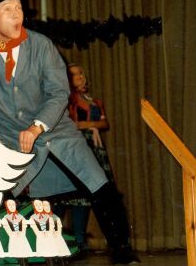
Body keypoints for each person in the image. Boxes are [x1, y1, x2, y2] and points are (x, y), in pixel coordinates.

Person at [0, 0, 139, 264]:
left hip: (55, 132)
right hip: (9, 139)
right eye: (7, 9)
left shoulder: (41, 45)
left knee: (99, 186)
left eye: (19, 8)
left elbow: (59, 92)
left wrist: (37, 125)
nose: (16, 14)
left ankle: (123, 253)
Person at [52, 63, 117, 255]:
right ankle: (54, 241)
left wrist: (89, 124)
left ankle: (80, 242)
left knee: (89, 195)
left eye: (80, 73)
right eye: (73, 75)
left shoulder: (92, 100)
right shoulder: (67, 99)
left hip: (93, 146)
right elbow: (70, 124)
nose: (79, 77)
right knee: (65, 195)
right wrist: (89, 124)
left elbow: (104, 123)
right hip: (74, 146)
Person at [1, 199, 34, 265]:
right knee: (17, 254)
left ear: (16, 205)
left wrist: (21, 233)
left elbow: (24, 225)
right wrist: (12, 234)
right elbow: (6, 227)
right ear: (7, 206)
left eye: (13, 204)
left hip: (22, 238)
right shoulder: (5, 217)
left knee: (24, 255)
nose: (11, 206)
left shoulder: (20, 216)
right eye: (9, 205)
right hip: (13, 238)